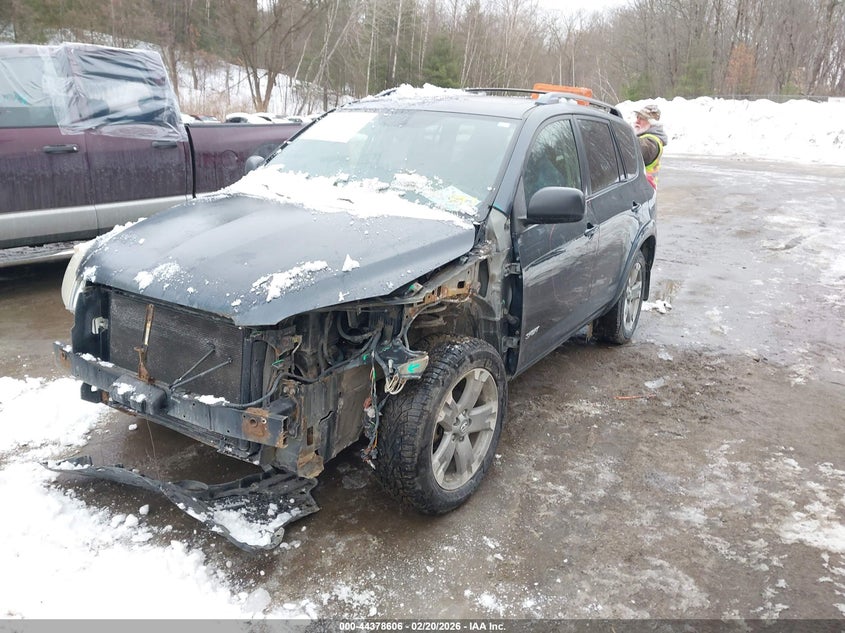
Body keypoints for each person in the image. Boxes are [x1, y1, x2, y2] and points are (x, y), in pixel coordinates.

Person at [633, 104, 668, 187]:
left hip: (643, 188)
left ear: (651, 123)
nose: (637, 121)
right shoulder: (645, 137)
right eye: (637, 117)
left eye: (641, 119)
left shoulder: (652, 142)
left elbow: (632, 151)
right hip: (642, 187)